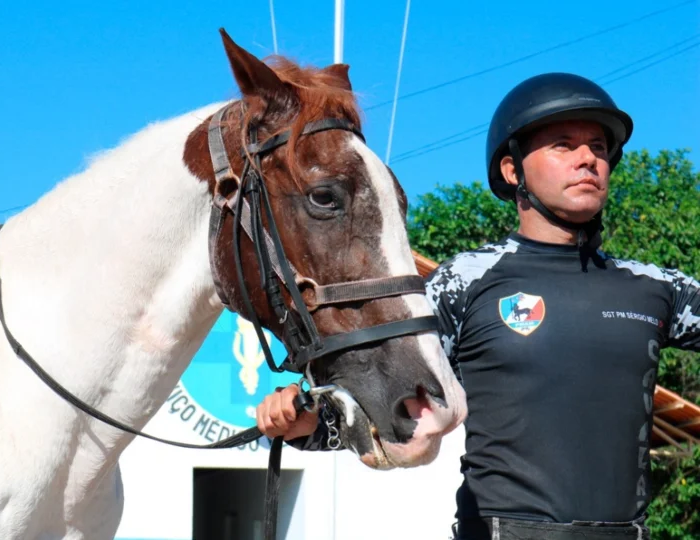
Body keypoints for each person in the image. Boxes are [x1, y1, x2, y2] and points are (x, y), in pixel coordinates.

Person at [254, 72, 700, 540]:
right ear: (513, 171)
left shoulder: (655, 287)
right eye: (564, 145)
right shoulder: (463, 281)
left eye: (599, 147)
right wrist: (307, 421)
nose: (588, 158)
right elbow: (395, 393)